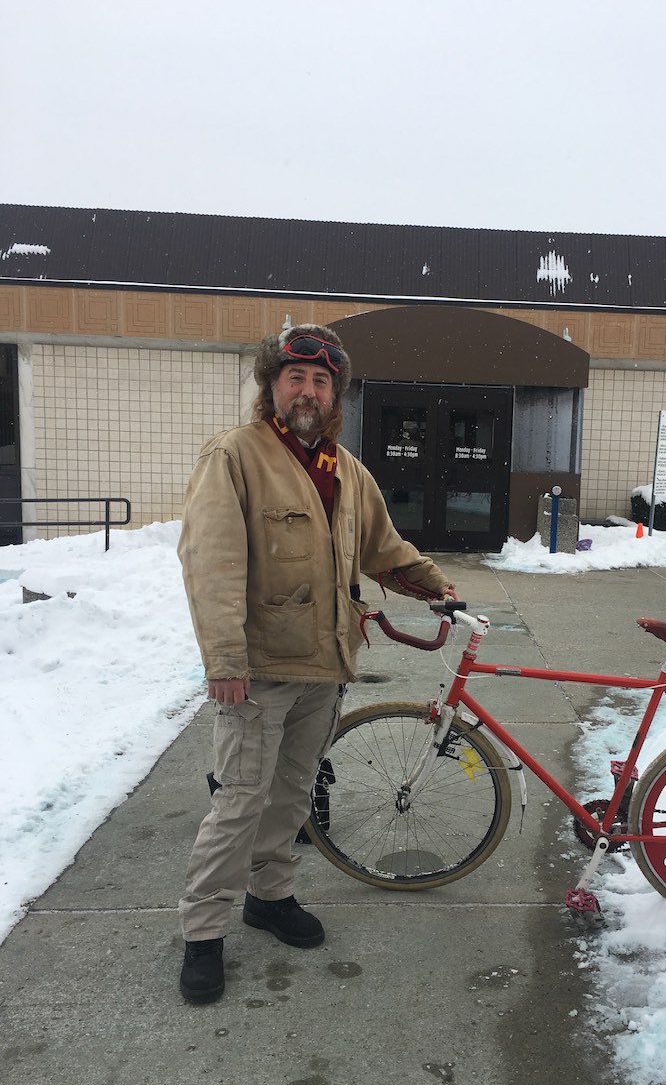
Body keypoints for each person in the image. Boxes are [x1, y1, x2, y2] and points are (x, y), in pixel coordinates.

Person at [176, 323, 456, 1003]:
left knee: (293, 793)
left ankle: (269, 897)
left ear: (335, 396)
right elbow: (210, 565)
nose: (308, 390)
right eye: (295, 377)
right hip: (260, 667)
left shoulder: (345, 471)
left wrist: (436, 584)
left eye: (321, 381)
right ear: (272, 386)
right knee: (240, 801)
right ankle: (203, 931)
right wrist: (224, 658)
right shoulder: (236, 456)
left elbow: (383, 548)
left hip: (324, 664)